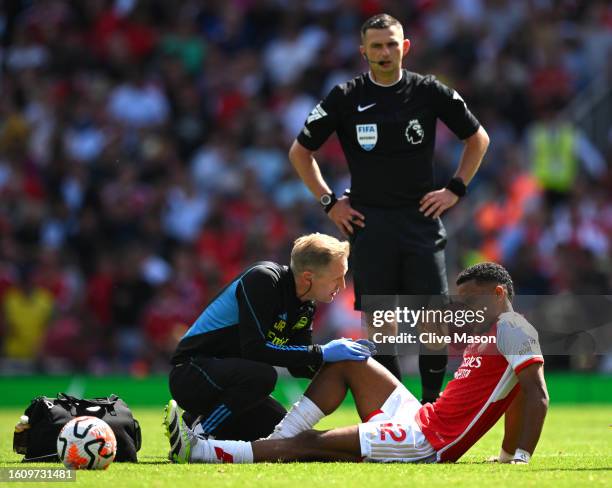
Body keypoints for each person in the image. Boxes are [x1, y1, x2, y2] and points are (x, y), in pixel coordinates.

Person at [288, 13, 490, 403]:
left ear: (405, 47)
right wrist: (330, 203)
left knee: (435, 323)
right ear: (363, 51)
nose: (384, 52)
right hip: (369, 222)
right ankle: (399, 411)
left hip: (421, 220)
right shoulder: (345, 97)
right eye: (376, 46)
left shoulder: (429, 91)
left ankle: (434, 406)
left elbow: (477, 138)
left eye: (391, 44)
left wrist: (454, 189)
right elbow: (300, 152)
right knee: (382, 327)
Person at [164, 262, 549, 465]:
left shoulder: (513, 326)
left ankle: (201, 451)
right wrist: (503, 454)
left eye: (469, 302)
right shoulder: (489, 335)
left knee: (306, 445)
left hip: (427, 441)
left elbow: (535, 395)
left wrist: (519, 459)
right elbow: (513, 394)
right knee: (349, 358)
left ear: (499, 294)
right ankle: (276, 439)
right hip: (420, 417)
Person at [167, 233, 376, 442]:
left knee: (282, 433)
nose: (343, 285)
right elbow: (255, 350)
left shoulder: (306, 305)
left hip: (228, 382)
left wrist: (343, 365)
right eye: (336, 277)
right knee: (264, 376)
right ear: (307, 277)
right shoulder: (263, 279)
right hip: (190, 373)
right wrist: (323, 352)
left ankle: (194, 420)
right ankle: (198, 436)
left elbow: (300, 366)